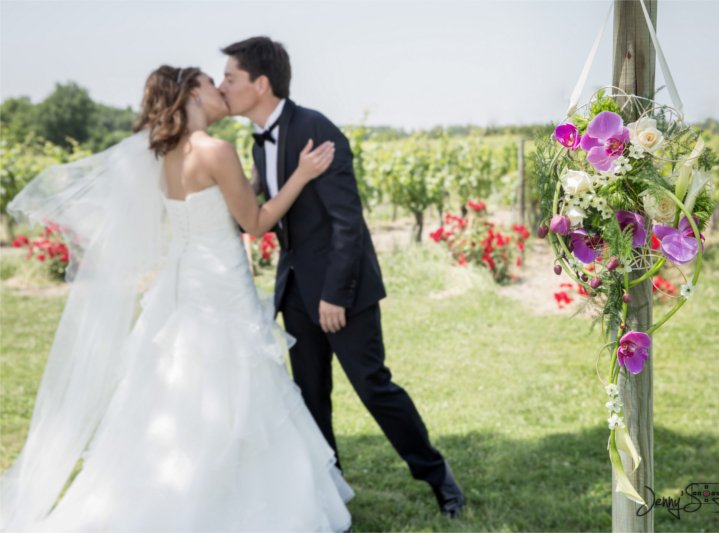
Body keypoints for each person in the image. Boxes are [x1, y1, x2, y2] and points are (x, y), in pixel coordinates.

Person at [1, 65, 353, 532]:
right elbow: (256, 223)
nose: (220, 89)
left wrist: (250, 183)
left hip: (185, 283)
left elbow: (214, 209)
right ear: (191, 94)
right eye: (212, 83)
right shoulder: (216, 149)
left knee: (176, 386)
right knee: (237, 386)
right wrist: (302, 175)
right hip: (221, 285)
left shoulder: (167, 155)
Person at [218, 36, 466, 517]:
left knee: (374, 386)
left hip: (340, 290)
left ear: (261, 83)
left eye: (231, 78)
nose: (223, 86)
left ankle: (438, 476)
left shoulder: (315, 129)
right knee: (311, 398)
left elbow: (346, 223)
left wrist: (335, 295)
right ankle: (328, 493)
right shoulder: (256, 142)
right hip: (293, 292)